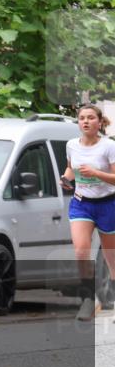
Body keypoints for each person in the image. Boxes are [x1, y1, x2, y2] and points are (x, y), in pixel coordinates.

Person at [61, 103, 115, 321]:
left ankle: (111, 296)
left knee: (111, 257)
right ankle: (87, 298)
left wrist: (95, 173)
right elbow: (71, 168)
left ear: (99, 122)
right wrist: (66, 179)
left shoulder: (109, 146)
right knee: (81, 249)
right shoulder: (71, 145)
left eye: (91, 118)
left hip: (107, 203)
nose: (85, 121)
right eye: (82, 118)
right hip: (82, 202)